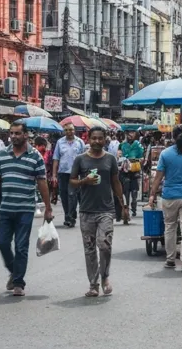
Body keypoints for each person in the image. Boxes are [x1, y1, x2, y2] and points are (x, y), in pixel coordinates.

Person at [0, 121, 53, 296]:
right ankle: (14, 271)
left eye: (17, 134)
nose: (13, 137)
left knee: (21, 246)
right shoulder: (2, 155)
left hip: (25, 209)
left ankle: (18, 282)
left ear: (26, 135)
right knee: (2, 242)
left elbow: (42, 182)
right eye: (11, 134)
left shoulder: (35, 156)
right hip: (5, 208)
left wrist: (48, 208)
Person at [70, 127, 127, 297]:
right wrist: (84, 181)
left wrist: (122, 205)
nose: (96, 141)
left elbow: (116, 182)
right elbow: (72, 181)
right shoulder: (80, 159)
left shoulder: (110, 159)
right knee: (89, 249)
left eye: (100, 138)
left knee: (104, 245)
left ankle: (105, 277)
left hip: (106, 210)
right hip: (86, 210)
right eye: (93, 138)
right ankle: (93, 284)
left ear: (105, 140)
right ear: (88, 139)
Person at [147, 125, 182, 272]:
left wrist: (152, 195)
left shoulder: (165, 154)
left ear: (173, 137)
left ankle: (170, 260)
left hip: (169, 197)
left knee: (170, 228)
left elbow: (158, 178)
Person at [54, 123, 86, 227]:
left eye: (71, 130)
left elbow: (84, 158)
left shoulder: (80, 142)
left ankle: (70, 218)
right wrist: (54, 175)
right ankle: (69, 214)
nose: (69, 132)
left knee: (72, 195)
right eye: (66, 130)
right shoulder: (60, 142)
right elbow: (56, 158)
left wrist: (84, 174)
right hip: (62, 173)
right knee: (64, 196)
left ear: (74, 130)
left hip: (75, 173)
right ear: (64, 131)